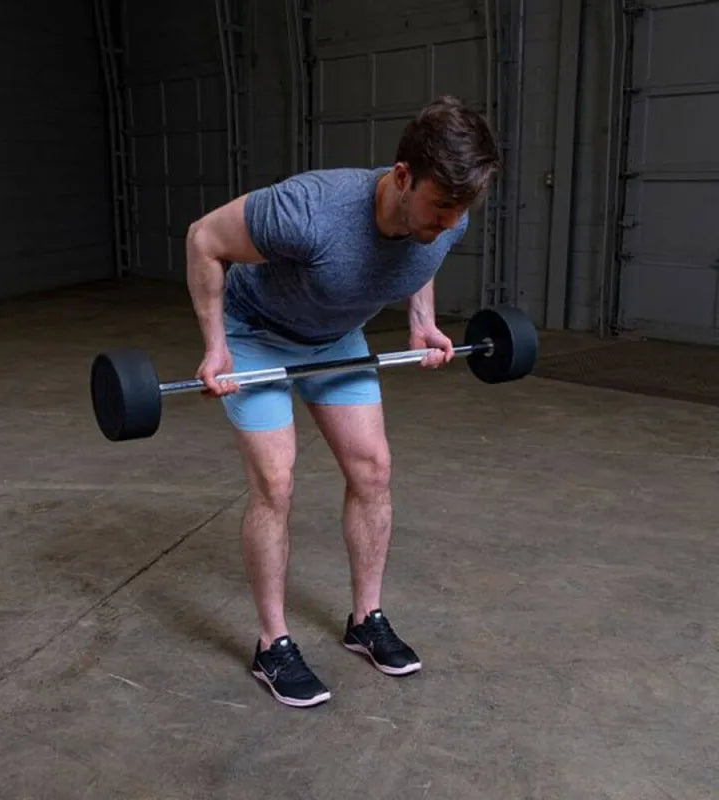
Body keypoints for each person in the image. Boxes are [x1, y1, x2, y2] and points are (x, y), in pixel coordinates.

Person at [185, 95, 500, 708]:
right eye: (438, 207)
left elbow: (422, 253)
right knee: (275, 483)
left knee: (372, 470)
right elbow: (204, 240)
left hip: (335, 338)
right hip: (257, 334)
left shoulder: (447, 214)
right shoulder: (308, 210)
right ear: (402, 177)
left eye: (458, 212)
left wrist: (423, 323)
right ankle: (272, 645)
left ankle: (366, 620)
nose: (448, 224)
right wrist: (216, 347)